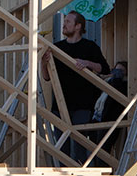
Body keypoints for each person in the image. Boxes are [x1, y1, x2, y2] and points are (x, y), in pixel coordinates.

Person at [42, 10, 109, 164]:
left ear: (78, 26)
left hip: (83, 105)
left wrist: (87, 63)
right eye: (64, 22)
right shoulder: (57, 48)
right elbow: (46, 77)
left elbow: (105, 69)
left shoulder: (89, 47)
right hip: (60, 105)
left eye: (68, 22)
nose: (64, 25)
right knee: (61, 148)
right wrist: (43, 63)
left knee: (79, 146)